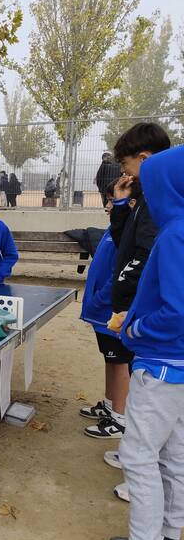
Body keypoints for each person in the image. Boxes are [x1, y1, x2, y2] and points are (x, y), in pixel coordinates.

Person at [81, 145, 184, 540]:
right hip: (179, 368)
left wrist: (135, 327)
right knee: (175, 456)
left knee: (139, 458)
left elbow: (175, 313)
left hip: (161, 364)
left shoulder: (174, 235)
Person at [84, 123, 171, 441]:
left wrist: (121, 293)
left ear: (144, 159)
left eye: (125, 164)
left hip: (144, 316)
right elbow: (125, 247)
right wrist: (120, 208)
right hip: (131, 310)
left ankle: (132, 439)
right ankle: (123, 422)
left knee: (147, 393)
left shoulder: (158, 205)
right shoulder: (143, 201)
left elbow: (143, 257)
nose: (123, 172)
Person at [79, 180, 134, 454]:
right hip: (100, 311)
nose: (107, 206)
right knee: (110, 360)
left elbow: (119, 276)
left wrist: (100, 299)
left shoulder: (127, 234)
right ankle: (110, 405)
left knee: (120, 362)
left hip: (110, 311)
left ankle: (120, 419)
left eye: (112, 200)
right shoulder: (114, 230)